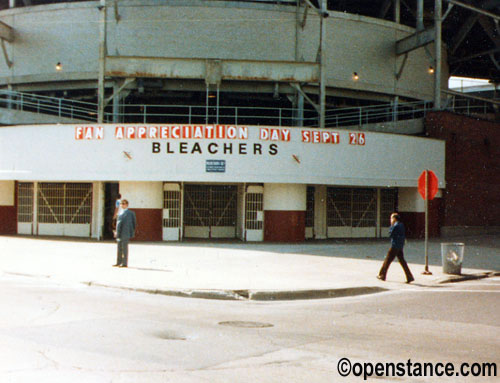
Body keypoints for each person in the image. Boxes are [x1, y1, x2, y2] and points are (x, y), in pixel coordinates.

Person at [377, 212, 414, 283]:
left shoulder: (395, 225)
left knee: (387, 260)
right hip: (400, 246)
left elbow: (390, 234)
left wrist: (391, 225)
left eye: (391, 218)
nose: (390, 220)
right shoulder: (401, 225)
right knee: (402, 261)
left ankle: (382, 275)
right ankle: (409, 276)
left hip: (395, 246)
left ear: (394, 218)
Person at [113, 199, 136, 268]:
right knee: (119, 247)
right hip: (119, 232)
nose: (122, 205)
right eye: (121, 204)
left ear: (127, 205)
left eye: (124, 204)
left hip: (125, 232)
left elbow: (134, 223)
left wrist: (130, 232)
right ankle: (118, 262)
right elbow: (117, 223)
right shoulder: (119, 213)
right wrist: (116, 231)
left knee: (124, 248)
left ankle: (124, 263)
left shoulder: (130, 213)